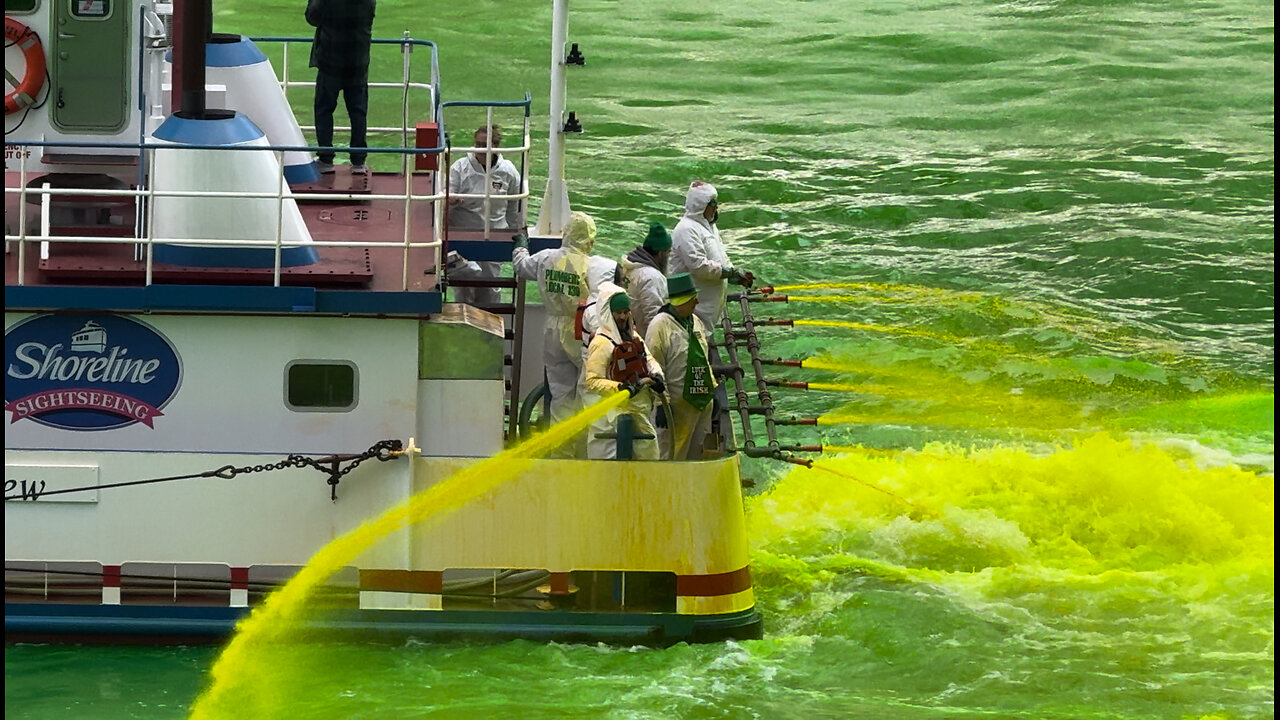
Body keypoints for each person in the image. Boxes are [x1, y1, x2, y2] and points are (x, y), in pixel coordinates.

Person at [512, 211, 595, 434]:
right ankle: (584, 446)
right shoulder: (591, 266)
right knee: (588, 389)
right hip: (579, 329)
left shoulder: (546, 258)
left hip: (551, 329)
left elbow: (521, 266)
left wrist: (521, 246)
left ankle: (561, 449)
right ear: (588, 239)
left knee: (560, 394)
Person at [581, 285, 664, 460]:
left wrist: (657, 375)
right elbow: (593, 380)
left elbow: (648, 359)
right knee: (608, 467)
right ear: (608, 312)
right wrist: (621, 388)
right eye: (618, 312)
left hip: (637, 412)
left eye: (625, 311)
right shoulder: (601, 343)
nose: (622, 316)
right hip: (610, 419)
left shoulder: (632, 336)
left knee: (647, 460)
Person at [447, 125, 524, 307]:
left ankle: (490, 324)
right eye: (478, 144)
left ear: (496, 146)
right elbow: (446, 194)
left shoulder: (508, 171)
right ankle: (462, 326)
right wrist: (451, 200)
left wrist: (514, 233)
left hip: (495, 234)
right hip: (462, 235)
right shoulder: (460, 168)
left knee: (490, 285)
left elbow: (514, 207)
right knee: (463, 288)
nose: (481, 150)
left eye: (485, 145)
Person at [645, 273, 717, 460]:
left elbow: (703, 358)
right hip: (676, 409)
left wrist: (712, 389)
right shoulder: (659, 326)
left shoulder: (695, 321)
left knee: (697, 455)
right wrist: (662, 403)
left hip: (701, 403)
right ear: (681, 301)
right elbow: (654, 366)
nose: (697, 302)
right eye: (693, 298)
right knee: (672, 455)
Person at [669, 181, 752, 333]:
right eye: (712, 203)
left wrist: (735, 275)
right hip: (695, 306)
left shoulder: (709, 227)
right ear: (700, 205)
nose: (716, 207)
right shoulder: (686, 230)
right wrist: (729, 273)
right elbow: (699, 266)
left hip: (708, 308)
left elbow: (720, 257)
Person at [306, 0, 375, 174]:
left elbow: (312, 17)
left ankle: (326, 158)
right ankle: (359, 161)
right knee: (358, 112)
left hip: (330, 62)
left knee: (323, 110)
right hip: (358, 62)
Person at [619, 221, 671, 338]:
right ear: (661, 253)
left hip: (629, 333)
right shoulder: (651, 277)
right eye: (669, 252)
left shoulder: (630, 267)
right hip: (645, 339)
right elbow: (654, 319)